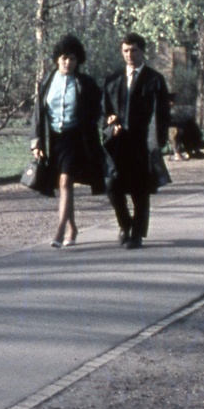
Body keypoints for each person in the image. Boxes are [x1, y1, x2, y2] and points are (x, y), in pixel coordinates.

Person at [30, 34, 105, 248]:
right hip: (53, 139)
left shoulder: (85, 83)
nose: (68, 62)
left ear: (78, 60)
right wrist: (36, 141)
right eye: (64, 58)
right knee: (65, 185)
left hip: (75, 139)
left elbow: (97, 109)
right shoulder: (46, 81)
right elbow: (38, 113)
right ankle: (73, 227)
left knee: (65, 182)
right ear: (57, 59)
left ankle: (60, 229)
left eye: (72, 58)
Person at [102, 33, 170, 249]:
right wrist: (110, 123)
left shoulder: (154, 80)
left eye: (134, 50)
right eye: (125, 51)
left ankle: (137, 233)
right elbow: (104, 110)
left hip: (142, 143)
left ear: (142, 51)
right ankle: (125, 224)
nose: (129, 55)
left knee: (140, 190)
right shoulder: (113, 80)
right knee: (112, 185)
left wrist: (158, 141)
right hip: (118, 142)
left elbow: (162, 114)